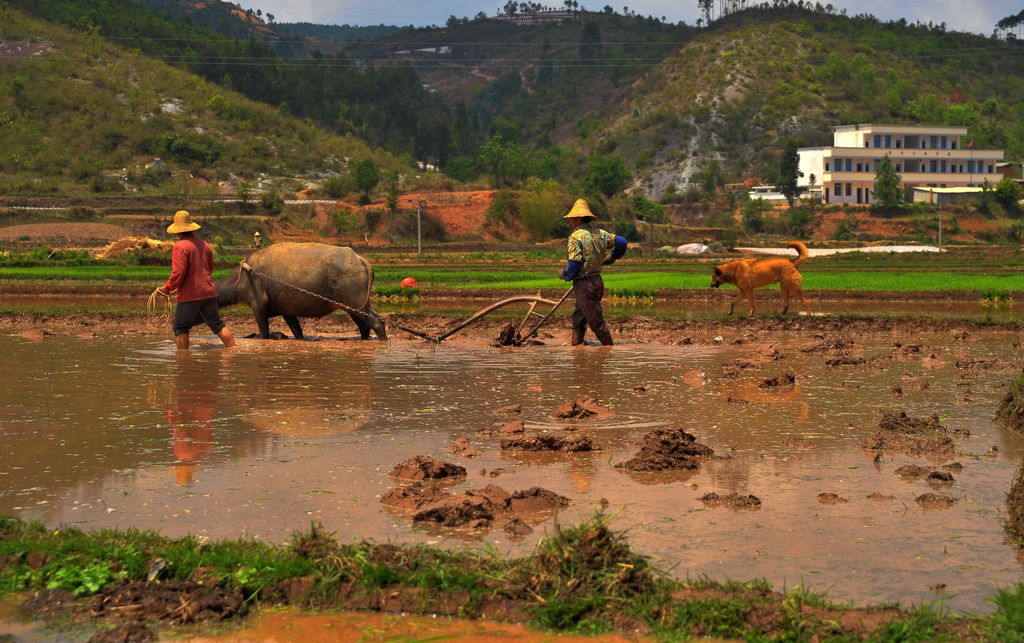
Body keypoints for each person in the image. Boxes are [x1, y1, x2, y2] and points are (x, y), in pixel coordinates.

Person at [157, 210, 236, 350]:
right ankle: (233, 349)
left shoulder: (179, 247)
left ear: (177, 230)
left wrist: (167, 287)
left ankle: (183, 360)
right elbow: (210, 268)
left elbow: (178, 273)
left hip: (190, 294)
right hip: (209, 292)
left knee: (180, 326)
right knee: (217, 324)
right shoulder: (205, 245)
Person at [559, 198, 628, 346]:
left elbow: (575, 263)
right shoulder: (600, 233)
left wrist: (565, 274)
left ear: (576, 219)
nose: (570, 222)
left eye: (571, 219)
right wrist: (613, 257)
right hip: (597, 281)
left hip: (584, 285)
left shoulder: (575, 237)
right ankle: (577, 346)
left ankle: (609, 348)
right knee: (579, 317)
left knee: (597, 322)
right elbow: (622, 242)